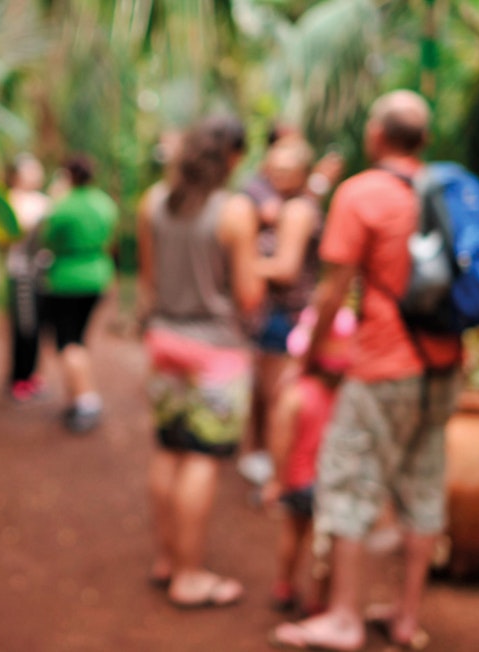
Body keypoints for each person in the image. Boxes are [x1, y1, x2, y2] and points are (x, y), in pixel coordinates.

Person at [271, 90, 461, 651]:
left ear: (377, 135)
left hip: (383, 363)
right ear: (423, 140)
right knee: (423, 485)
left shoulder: (361, 194)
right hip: (444, 365)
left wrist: (310, 356)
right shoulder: (447, 190)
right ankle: (405, 618)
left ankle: (345, 618)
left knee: (349, 480)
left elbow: (334, 292)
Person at [138, 116, 264, 608]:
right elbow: (249, 297)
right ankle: (190, 576)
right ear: (231, 157)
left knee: (168, 450)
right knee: (202, 458)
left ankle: (167, 559)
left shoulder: (153, 203)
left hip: (165, 342)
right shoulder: (235, 211)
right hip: (216, 352)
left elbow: (150, 284)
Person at [239, 135, 330, 488]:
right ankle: (267, 463)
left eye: (286, 169)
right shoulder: (287, 205)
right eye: (273, 167)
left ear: (303, 173)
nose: (277, 174)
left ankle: (281, 478)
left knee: (278, 398)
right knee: (264, 393)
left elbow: (285, 268)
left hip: (285, 317)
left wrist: (239, 265)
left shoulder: (295, 210)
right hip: (273, 315)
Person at [262, 306, 356, 618]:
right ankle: (318, 599)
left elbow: (281, 440)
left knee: (292, 533)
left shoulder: (295, 394)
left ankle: (284, 585)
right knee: (325, 543)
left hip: (298, 482)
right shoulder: (347, 396)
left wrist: (276, 479)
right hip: (331, 485)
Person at [38, 154, 119, 432]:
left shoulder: (63, 206)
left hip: (66, 280)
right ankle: (76, 399)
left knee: (68, 342)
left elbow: (48, 238)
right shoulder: (104, 203)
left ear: (68, 175)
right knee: (79, 339)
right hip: (98, 275)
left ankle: (87, 401)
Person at [5, 153, 51, 401]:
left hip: (41, 272)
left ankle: (31, 374)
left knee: (37, 326)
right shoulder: (11, 200)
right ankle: (18, 378)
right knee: (23, 326)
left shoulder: (43, 200)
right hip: (21, 272)